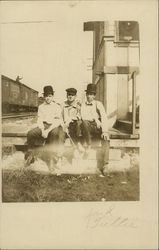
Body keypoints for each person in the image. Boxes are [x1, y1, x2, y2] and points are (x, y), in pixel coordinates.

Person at [25, 85, 65, 166]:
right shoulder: (41, 107)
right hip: (44, 126)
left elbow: (57, 121)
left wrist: (47, 131)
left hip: (53, 126)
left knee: (54, 134)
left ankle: (51, 158)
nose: (48, 98)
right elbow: (39, 119)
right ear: (44, 96)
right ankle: (31, 154)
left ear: (53, 96)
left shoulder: (57, 106)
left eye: (50, 96)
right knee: (30, 133)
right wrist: (42, 130)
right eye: (46, 96)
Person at [80, 83, 110, 176]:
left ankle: (105, 166)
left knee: (106, 139)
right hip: (88, 127)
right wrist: (94, 119)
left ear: (94, 95)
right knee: (84, 122)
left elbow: (104, 117)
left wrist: (104, 131)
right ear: (86, 94)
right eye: (88, 94)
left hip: (97, 127)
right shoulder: (83, 104)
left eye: (92, 94)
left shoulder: (98, 104)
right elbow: (83, 116)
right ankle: (88, 145)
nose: (89, 96)